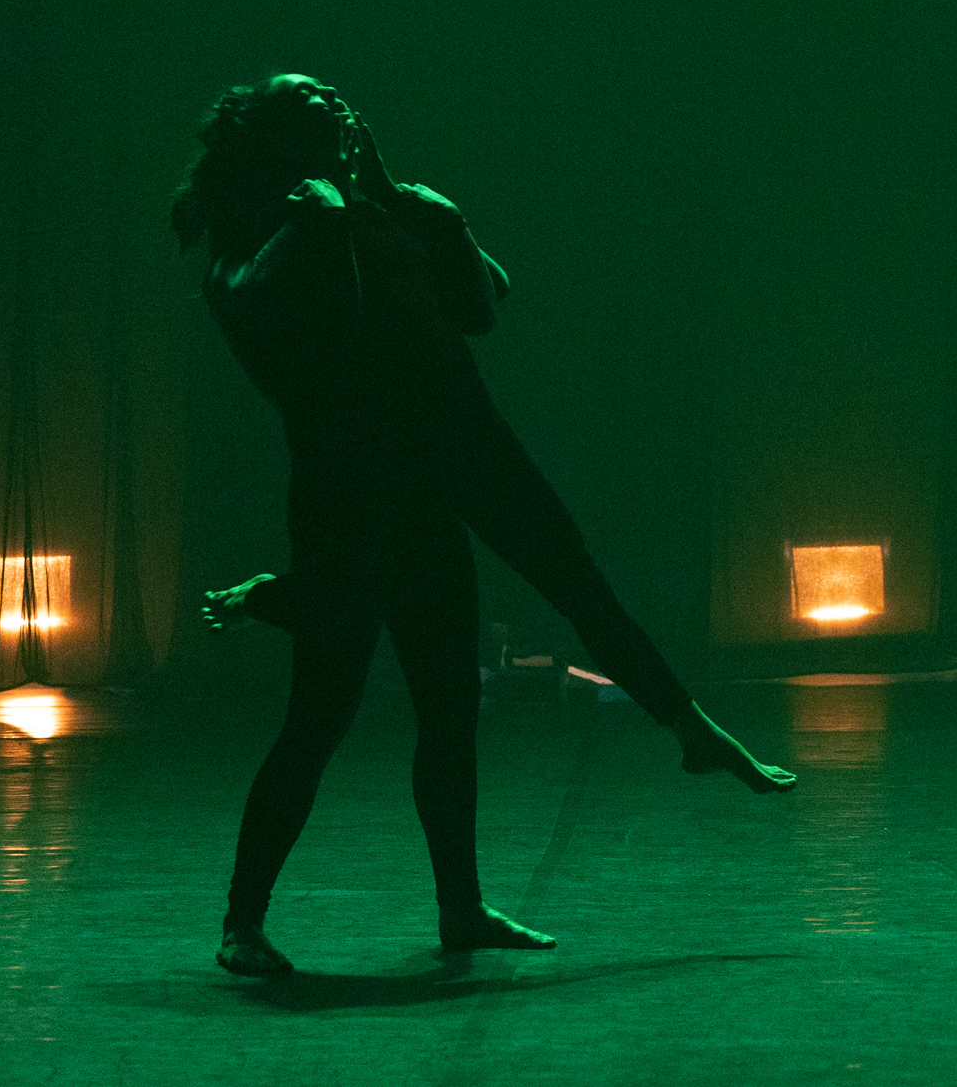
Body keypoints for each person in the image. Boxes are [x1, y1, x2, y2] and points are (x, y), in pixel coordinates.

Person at [173, 74, 794, 978]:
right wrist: (322, 222)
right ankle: (243, 921)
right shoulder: (265, 234)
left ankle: (649, 756)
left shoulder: (381, 212)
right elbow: (275, 311)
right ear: (276, 138)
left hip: (456, 447)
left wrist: (429, 212)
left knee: (474, 678)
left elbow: (479, 308)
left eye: (341, 101)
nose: (339, 109)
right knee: (321, 712)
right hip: (357, 484)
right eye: (313, 105)